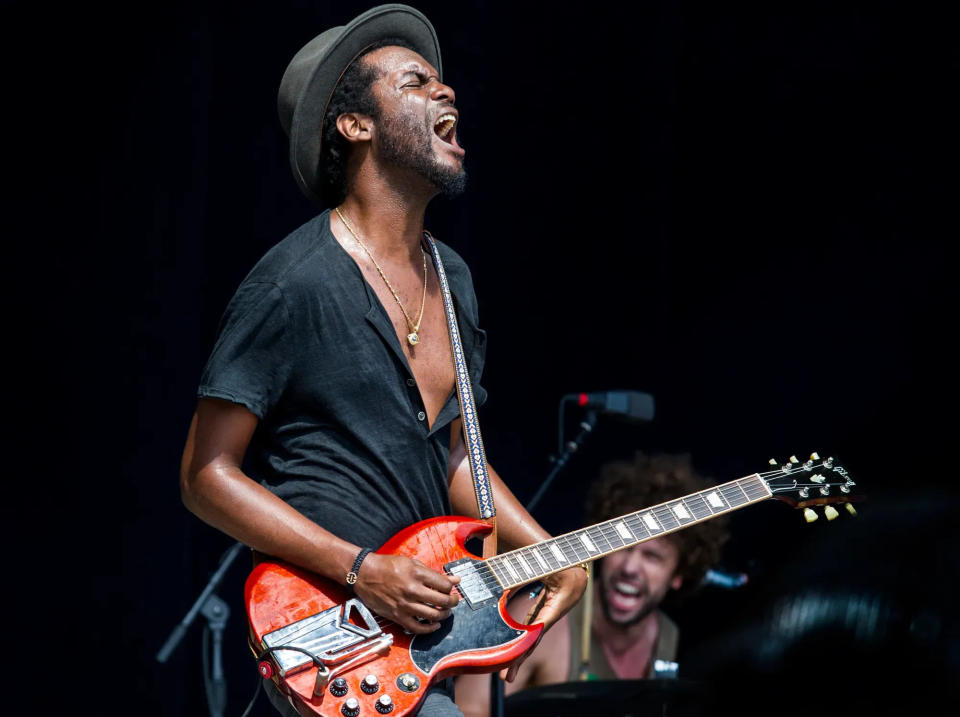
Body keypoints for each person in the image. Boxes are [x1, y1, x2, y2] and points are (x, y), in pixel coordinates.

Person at [178, 5, 587, 717]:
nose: (445, 92)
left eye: (442, 81)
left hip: (412, 641)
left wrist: (553, 550)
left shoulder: (450, 277)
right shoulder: (292, 282)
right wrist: (361, 569)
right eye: (415, 82)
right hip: (331, 631)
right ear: (354, 125)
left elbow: (458, 457)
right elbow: (205, 475)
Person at [455, 452, 729, 716]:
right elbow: (467, 708)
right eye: (623, 547)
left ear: (679, 574)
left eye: (652, 557)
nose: (630, 568)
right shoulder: (541, 610)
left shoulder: (673, 639)